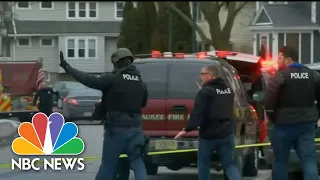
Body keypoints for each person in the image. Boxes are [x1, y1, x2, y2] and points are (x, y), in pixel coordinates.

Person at [59, 48, 148, 180]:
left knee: (108, 165)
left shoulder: (113, 79)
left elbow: (88, 79)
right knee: (137, 163)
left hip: (116, 129)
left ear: (116, 63)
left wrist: (68, 68)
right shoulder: (141, 82)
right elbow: (143, 103)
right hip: (136, 129)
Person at [174, 64, 241, 180]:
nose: (201, 77)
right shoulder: (228, 90)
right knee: (229, 164)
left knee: (204, 165)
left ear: (210, 76)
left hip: (208, 134)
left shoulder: (204, 92)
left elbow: (197, 113)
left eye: (202, 74)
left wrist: (186, 129)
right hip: (226, 132)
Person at [262, 46, 320, 180]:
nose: (277, 61)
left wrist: (274, 118)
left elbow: (269, 101)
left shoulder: (280, 76)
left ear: (288, 60)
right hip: (306, 125)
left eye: (280, 58)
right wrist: (315, 116)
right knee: (309, 161)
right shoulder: (313, 75)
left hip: (283, 126)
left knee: (281, 162)